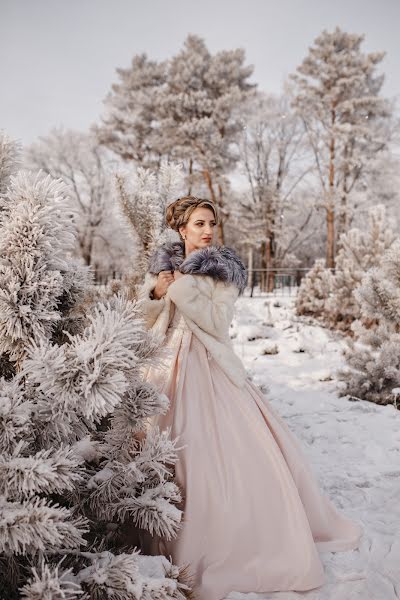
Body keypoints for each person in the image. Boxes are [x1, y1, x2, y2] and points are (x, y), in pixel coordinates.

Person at [137, 195, 363, 600]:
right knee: (156, 447)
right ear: (181, 229)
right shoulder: (164, 269)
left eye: (212, 223)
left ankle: (225, 543)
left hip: (207, 366)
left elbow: (217, 323)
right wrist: (156, 290)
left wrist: (182, 286)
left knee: (211, 454)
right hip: (163, 365)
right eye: (199, 224)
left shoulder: (221, 271)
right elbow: (145, 317)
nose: (207, 231)